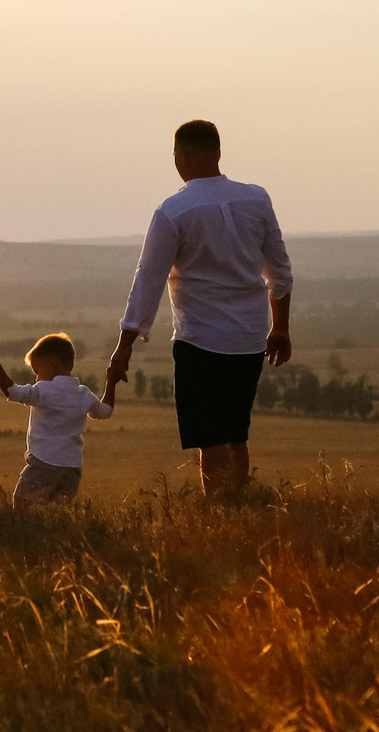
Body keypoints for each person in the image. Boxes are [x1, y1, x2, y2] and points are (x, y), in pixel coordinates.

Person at [106, 120, 292, 499]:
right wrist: (281, 328)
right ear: (218, 152)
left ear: (182, 156)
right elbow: (281, 272)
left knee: (211, 438)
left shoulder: (174, 211)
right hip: (250, 339)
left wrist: (124, 346)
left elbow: (148, 280)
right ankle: (243, 503)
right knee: (236, 430)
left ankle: (224, 514)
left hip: (200, 340)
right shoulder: (257, 199)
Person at [0, 331, 114, 504]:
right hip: (72, 467)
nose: (36, 377)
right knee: (59, 513)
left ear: (51, 364)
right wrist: (111, 381)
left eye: (37, 371)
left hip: (45, 462)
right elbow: (105, 411)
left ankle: (26, 532)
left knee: (23, 502)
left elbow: (12, 391)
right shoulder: (83, 394)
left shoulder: (44, 390)